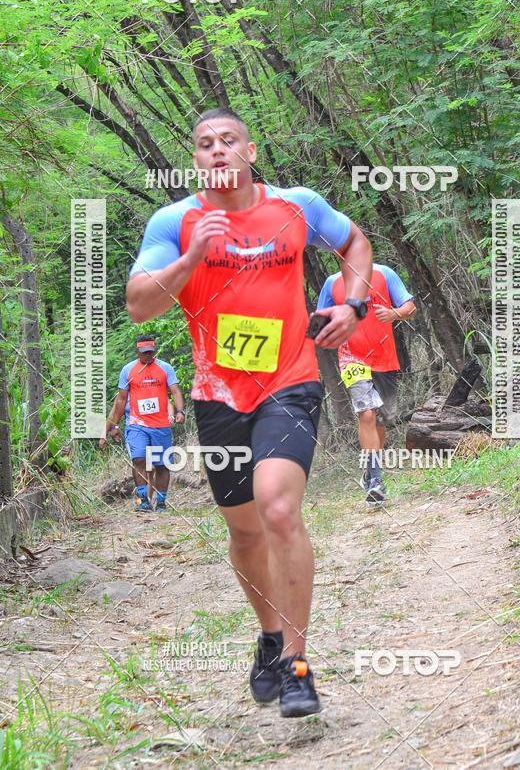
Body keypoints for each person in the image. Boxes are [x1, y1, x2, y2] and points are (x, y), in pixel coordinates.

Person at [126, 107, 372, 717]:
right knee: (243, 529)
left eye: (227, 140)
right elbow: (137, 305)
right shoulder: (176, 221)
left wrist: (356, 305)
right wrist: (188, 261)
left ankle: (297, 663)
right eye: (204, 144)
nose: (217, 151)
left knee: (279, 507)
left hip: (289, 383)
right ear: (195, 159)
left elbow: (356, 244)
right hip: (216, 396)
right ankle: (268, 634)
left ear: (250, 150)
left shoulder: (297, 206)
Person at [316, 263, 416, 505]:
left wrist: (394, 314)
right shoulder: (332, 283)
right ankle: (376, 482)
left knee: (383, 418)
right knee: (367, 414)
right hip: (351, 358)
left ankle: (369, 470)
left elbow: (410, 307)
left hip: (384, 358)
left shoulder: (385, 274)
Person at [100, 335, 185, 512]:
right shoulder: (128, 370)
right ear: (137, 352)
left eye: (150, 352)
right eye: (144, 353)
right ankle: (142, 501)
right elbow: (120, 401)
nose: (148, 356)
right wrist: (114, 426)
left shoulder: (165, 368)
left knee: (161, 465)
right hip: (137, 424)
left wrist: (180, 411)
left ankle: (161, 502)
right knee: (139, 459)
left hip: (160, 425)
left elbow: (175, 391)